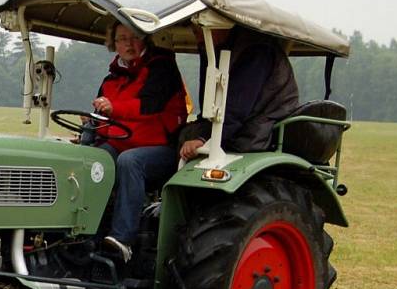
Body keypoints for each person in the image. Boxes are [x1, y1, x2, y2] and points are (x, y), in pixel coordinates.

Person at [93, 23, 189, 262]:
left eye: (134, 37)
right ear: (114, 44)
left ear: (145, 40)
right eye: (122, 39)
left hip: (162, 150)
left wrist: (114, 108)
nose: (129, 44)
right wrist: (92, 119)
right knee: (92, 160)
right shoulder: (111, 79)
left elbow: (149, 105)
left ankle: (123, 239)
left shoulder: (162, 68)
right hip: (121, 144)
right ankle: (84, 232)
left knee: (129, 162)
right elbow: (102, 117)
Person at [179, 26, 299, 160]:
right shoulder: (217, 49)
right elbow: (209, 105)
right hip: (242, 126)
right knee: (182, 134)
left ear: (218, 25)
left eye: (199, 31)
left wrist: (203, 139)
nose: (198, 38)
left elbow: (236, 109)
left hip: (261, 131)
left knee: (187, 141)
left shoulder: (256, 49)